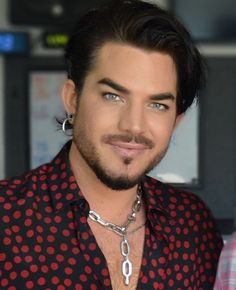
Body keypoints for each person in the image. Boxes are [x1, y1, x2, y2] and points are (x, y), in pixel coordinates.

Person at [0, 0, 223, 289]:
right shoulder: (6, 218)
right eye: (112, 96)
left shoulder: (193, 225)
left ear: (176, 121)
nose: (133, 125)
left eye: (157, 104)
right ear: (73, 99)